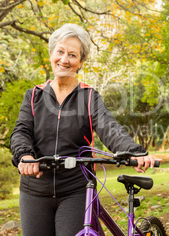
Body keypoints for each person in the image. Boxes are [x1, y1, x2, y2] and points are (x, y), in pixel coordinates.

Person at [10, 23, 156, 236]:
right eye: (60, 52)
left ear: (80, 62)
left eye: (72, 55)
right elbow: (21, 131)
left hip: (75, 190)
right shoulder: (33, 96)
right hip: (34, 190)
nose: (64, 59)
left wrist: (134, 152)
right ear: (51, 54)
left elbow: (110, 128)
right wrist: (24, 155)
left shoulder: (88, 97)